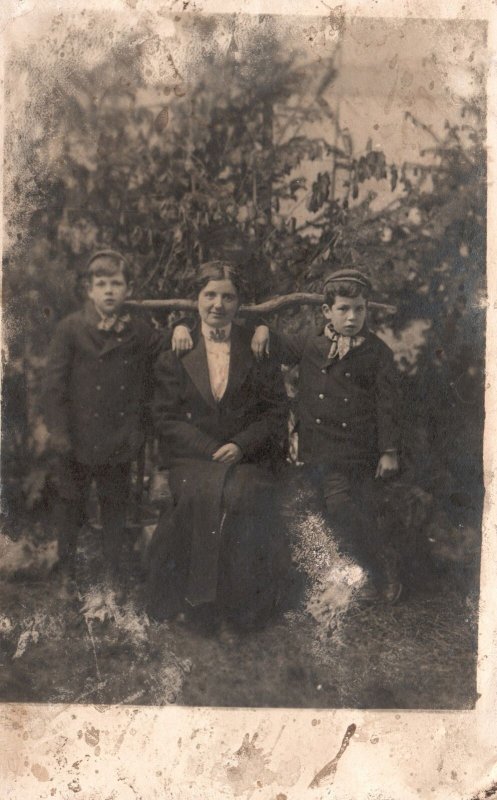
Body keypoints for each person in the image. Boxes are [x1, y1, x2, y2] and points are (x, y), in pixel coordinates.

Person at [147, 261, 290, 631]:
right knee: (200, 495)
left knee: (243, 493)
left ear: (239, 303)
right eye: (209, 294)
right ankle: (198, 606)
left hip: (246, 458)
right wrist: (209, 446)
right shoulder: (178, 348)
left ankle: (241, 608)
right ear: (196, 299)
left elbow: (276, 412)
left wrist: (241, 445)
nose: (218, 304)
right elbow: (165, 417)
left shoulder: (256, 348)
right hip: (192, 458)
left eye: (228, 297)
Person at [248, 268, 403, 603]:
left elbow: (388, 406)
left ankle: (382, 568)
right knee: (330, 510)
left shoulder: (377, 353)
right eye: (344, 309)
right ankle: (348, 578)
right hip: (317, 446)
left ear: (366, 309)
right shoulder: (312, 343)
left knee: (342, 505)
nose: (351, 318)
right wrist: (262, 327)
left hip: (357, 448)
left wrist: (388, 450)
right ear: (326, 311)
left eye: (359, 309)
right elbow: (278, 347)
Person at [43, 250, 163, 600]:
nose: (109, 291)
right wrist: (59, 432)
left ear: (128, 289)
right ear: (89, 289)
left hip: (118, 438)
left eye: (116, 284)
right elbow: (53, 386)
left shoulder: (138, 331)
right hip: (76, 439)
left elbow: (164, 349)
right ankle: (68, 574)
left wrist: (183, 328)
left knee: (114, 509)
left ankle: (114, 576)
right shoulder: (70, 329)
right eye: (102, 284)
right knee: (71, 506)